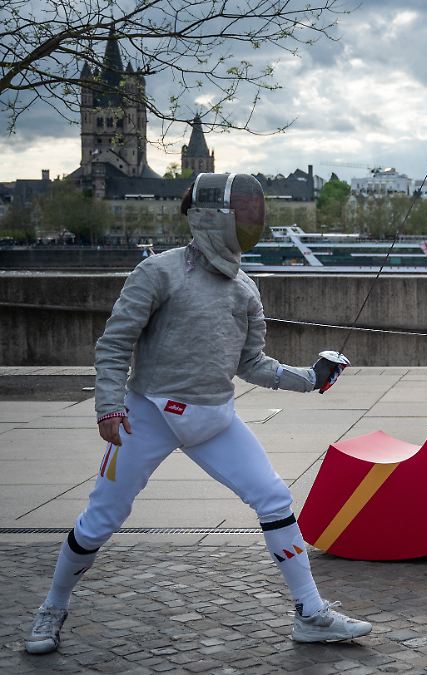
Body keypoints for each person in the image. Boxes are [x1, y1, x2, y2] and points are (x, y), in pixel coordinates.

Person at [25, 174, 371, 655]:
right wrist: (107, 405)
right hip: (145, 415)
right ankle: (52, 607)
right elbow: (115, 344)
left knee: (272, 497)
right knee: (101, 518)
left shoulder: (245, 288)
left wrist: (310, 377)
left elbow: (252, 364)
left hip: (214, 418)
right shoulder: (158, 272)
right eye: (245, 211)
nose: (254, 220)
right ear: (214, 217)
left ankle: (310, 614)